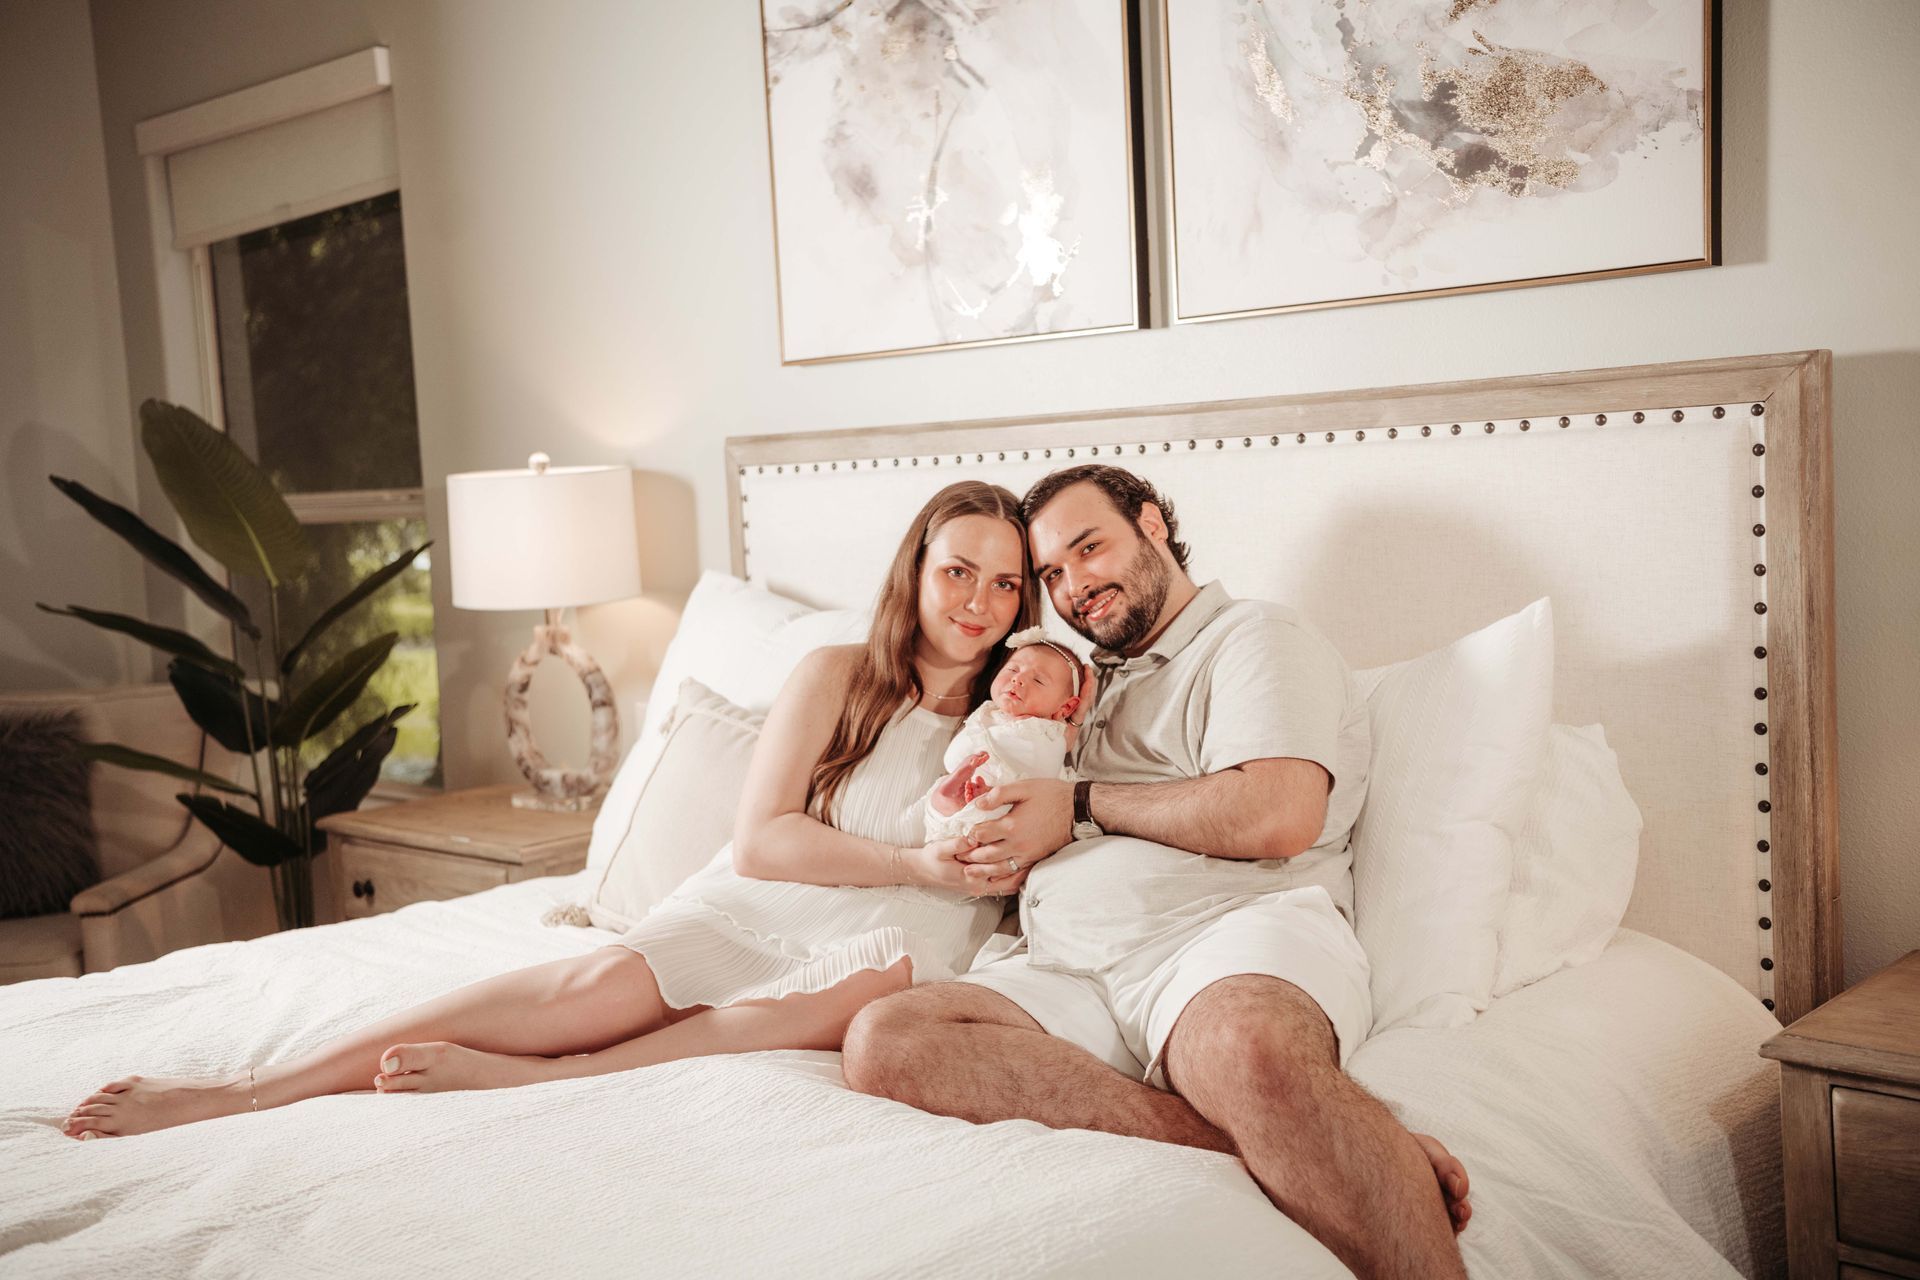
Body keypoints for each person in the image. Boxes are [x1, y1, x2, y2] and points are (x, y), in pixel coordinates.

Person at [63, 481, 1036, 1139]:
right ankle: (243, 1089)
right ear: (915, 568)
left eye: (1006, 581)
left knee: (811, 1001)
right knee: (582, 996)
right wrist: (916, 863)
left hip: (904, 932)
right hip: (772, 901)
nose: (980, 600)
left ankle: (535, 1081)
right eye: (960, 568)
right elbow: (762, 839)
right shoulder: (836, 675)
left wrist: (944, 877)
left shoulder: (1032, 710)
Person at [840, 465, 1474, 1280]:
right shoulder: (1080, 680)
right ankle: (1337, 1147)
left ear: (1150, 525)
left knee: (1247, 1047)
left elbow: (1277, 810)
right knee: (886, 1038)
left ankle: (1309, 1130)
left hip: (1220, 940)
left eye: (1089, 548)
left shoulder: (1253, 639)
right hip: (1071, 966)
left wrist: (1077, 805)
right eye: (1053, 575)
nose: (1074, 586)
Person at [922, 626, 1083, 842]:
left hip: (1010, 814)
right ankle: (948, 803)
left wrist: (992, 791)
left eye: (1038, 680)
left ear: (1065, 708)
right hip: (963, 803)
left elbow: (1039, 771)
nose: (1018, 680)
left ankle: (968, 802)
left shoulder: (1047, 734)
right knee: (937, 802)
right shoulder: (989, 713)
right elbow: (957, 752)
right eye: (1012, 670)